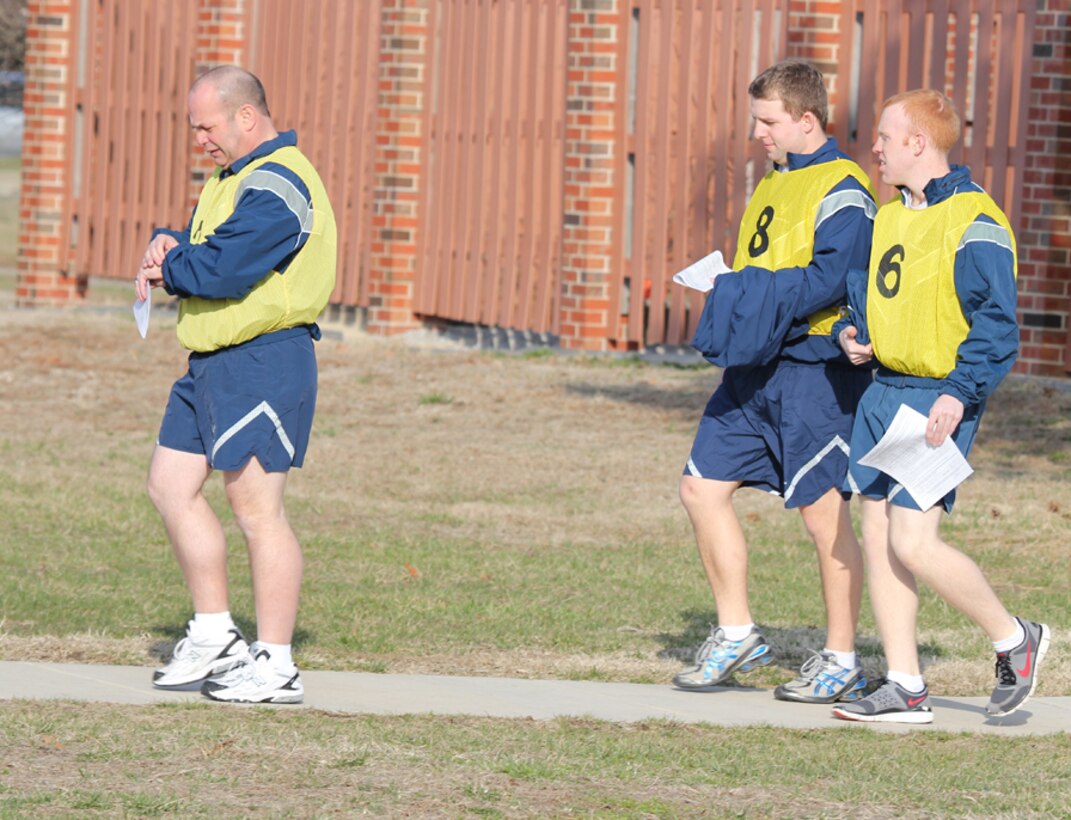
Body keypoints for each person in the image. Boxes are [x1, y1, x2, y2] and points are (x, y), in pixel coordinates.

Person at [830, 90, 1050, 724]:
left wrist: (959, 392)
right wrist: (853, 333)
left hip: (939, 398)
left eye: (885, 137)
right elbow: (863, 295)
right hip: (884, 392)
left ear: (918, 144)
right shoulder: (889, 214)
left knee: (914, 540)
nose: (875, 147)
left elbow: (996, 325)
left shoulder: (976, 218)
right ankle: (906, 688)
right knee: (878, 536)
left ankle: (1015, 639)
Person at [674, 60, 877, 704]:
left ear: (805, 120)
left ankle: (842, 657)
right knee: (700, 487)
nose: (757, 131)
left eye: (768, 121)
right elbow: (768, 270)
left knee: (823, 517)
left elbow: (829, 281)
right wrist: (734, 289)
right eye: (757, 119)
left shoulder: (845, 188)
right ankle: (737, 634)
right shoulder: (773, 180)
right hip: (754, 367)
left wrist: (741, 291)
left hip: (812, 373)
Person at [135, 65, 336, 704]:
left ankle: (275, 663)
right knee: (169, 486)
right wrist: (172, 239)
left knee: (256, 509)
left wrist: (173, 266)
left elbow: (225, 266)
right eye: (196, 128)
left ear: (246, 116)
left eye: (208, 126)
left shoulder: (282, 181)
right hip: (210, 362)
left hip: (263, 361)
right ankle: (217, 630)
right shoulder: (233, 180)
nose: (201, 139)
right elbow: (209, 246)